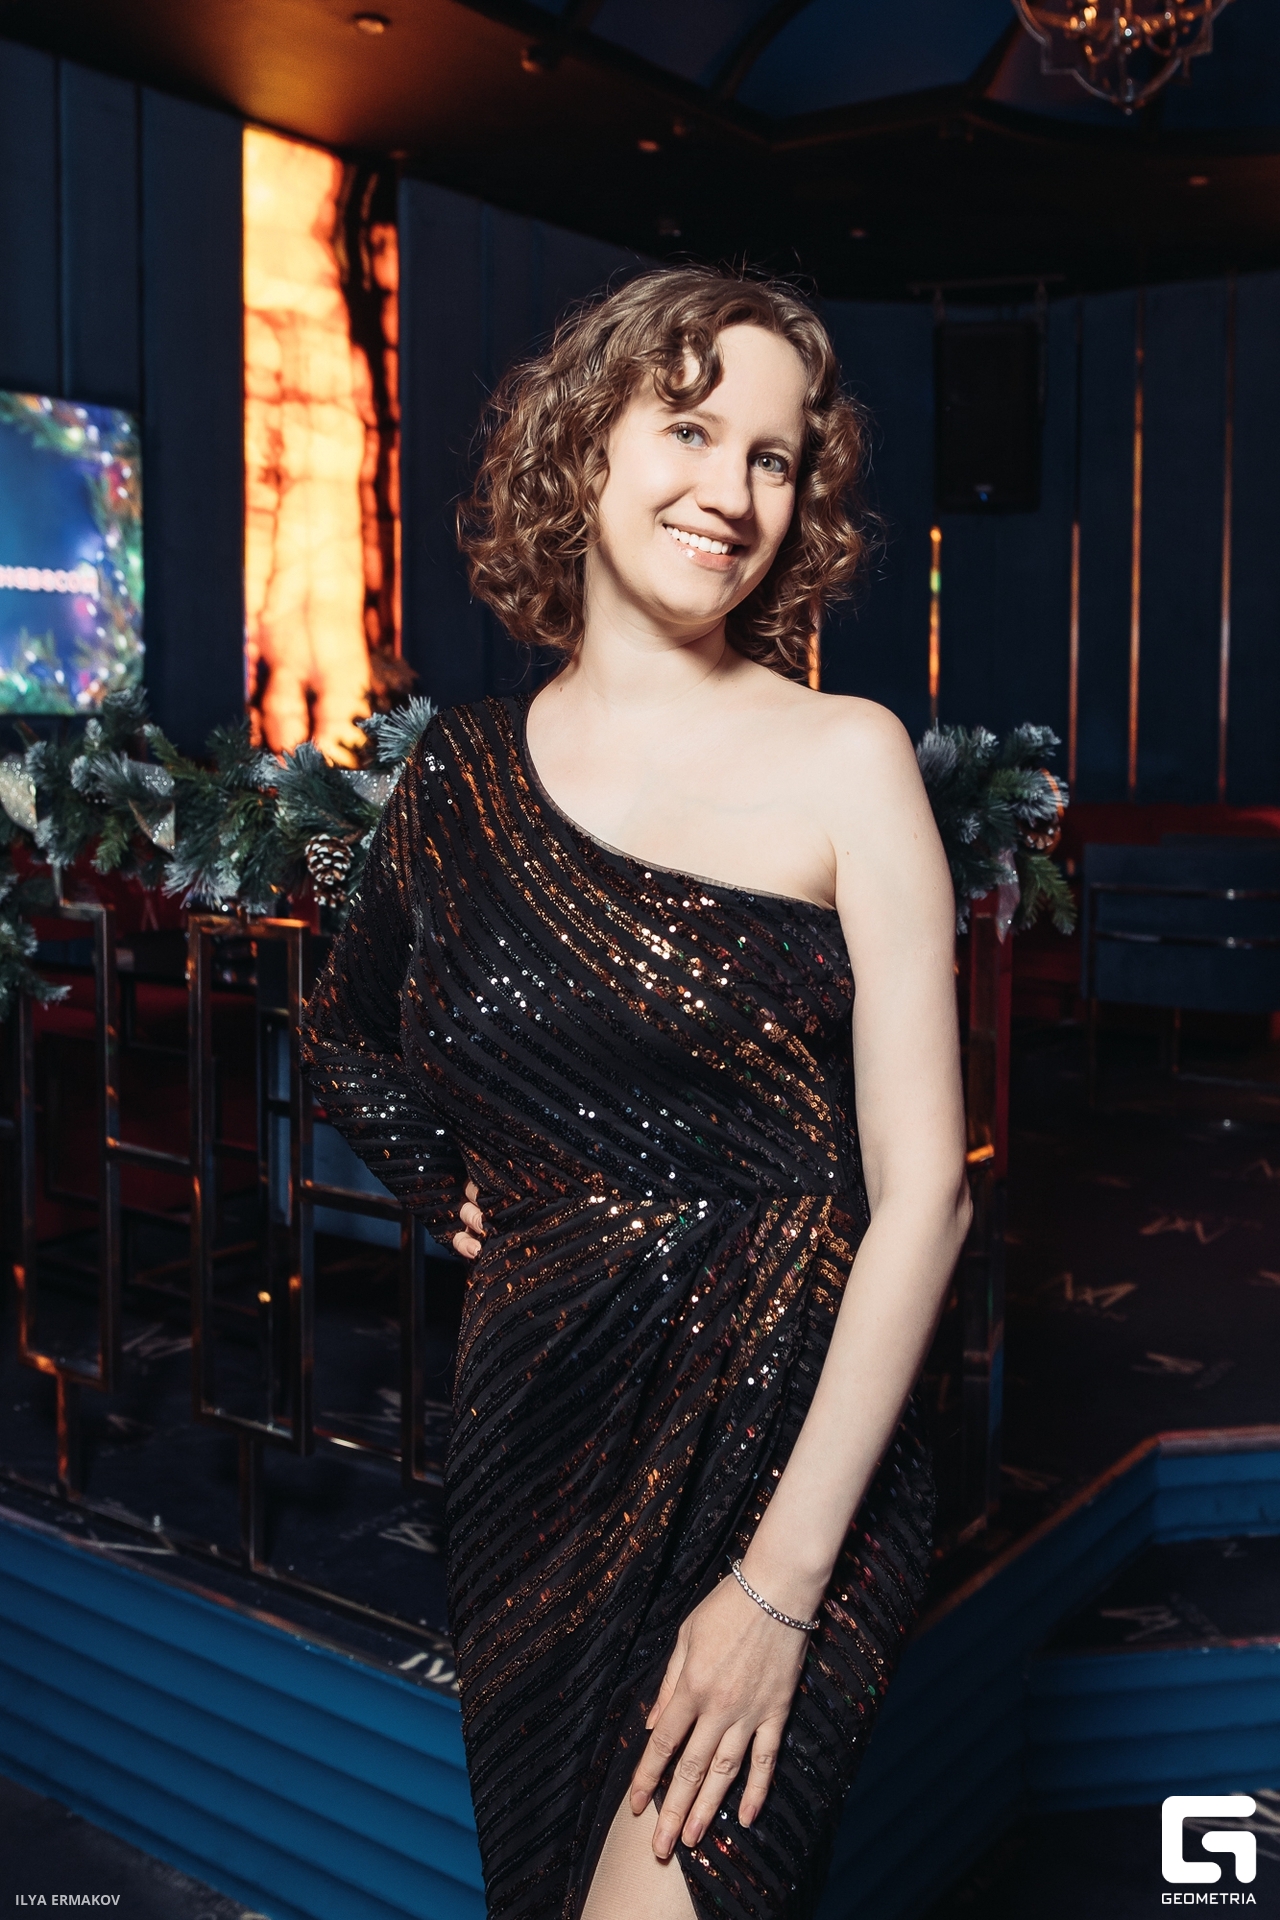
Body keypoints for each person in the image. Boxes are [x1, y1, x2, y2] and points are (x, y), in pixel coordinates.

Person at [304, 266, 970, 1920]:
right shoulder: (457, 776)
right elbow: (342, 1025)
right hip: (539, 1439)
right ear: (585, 444)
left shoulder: (850, 756)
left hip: (797, 1440)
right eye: (690, 429)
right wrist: (445, 1180)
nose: (732, 490)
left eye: (774, 457)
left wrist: (780, 1590)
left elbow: (927, 1199)